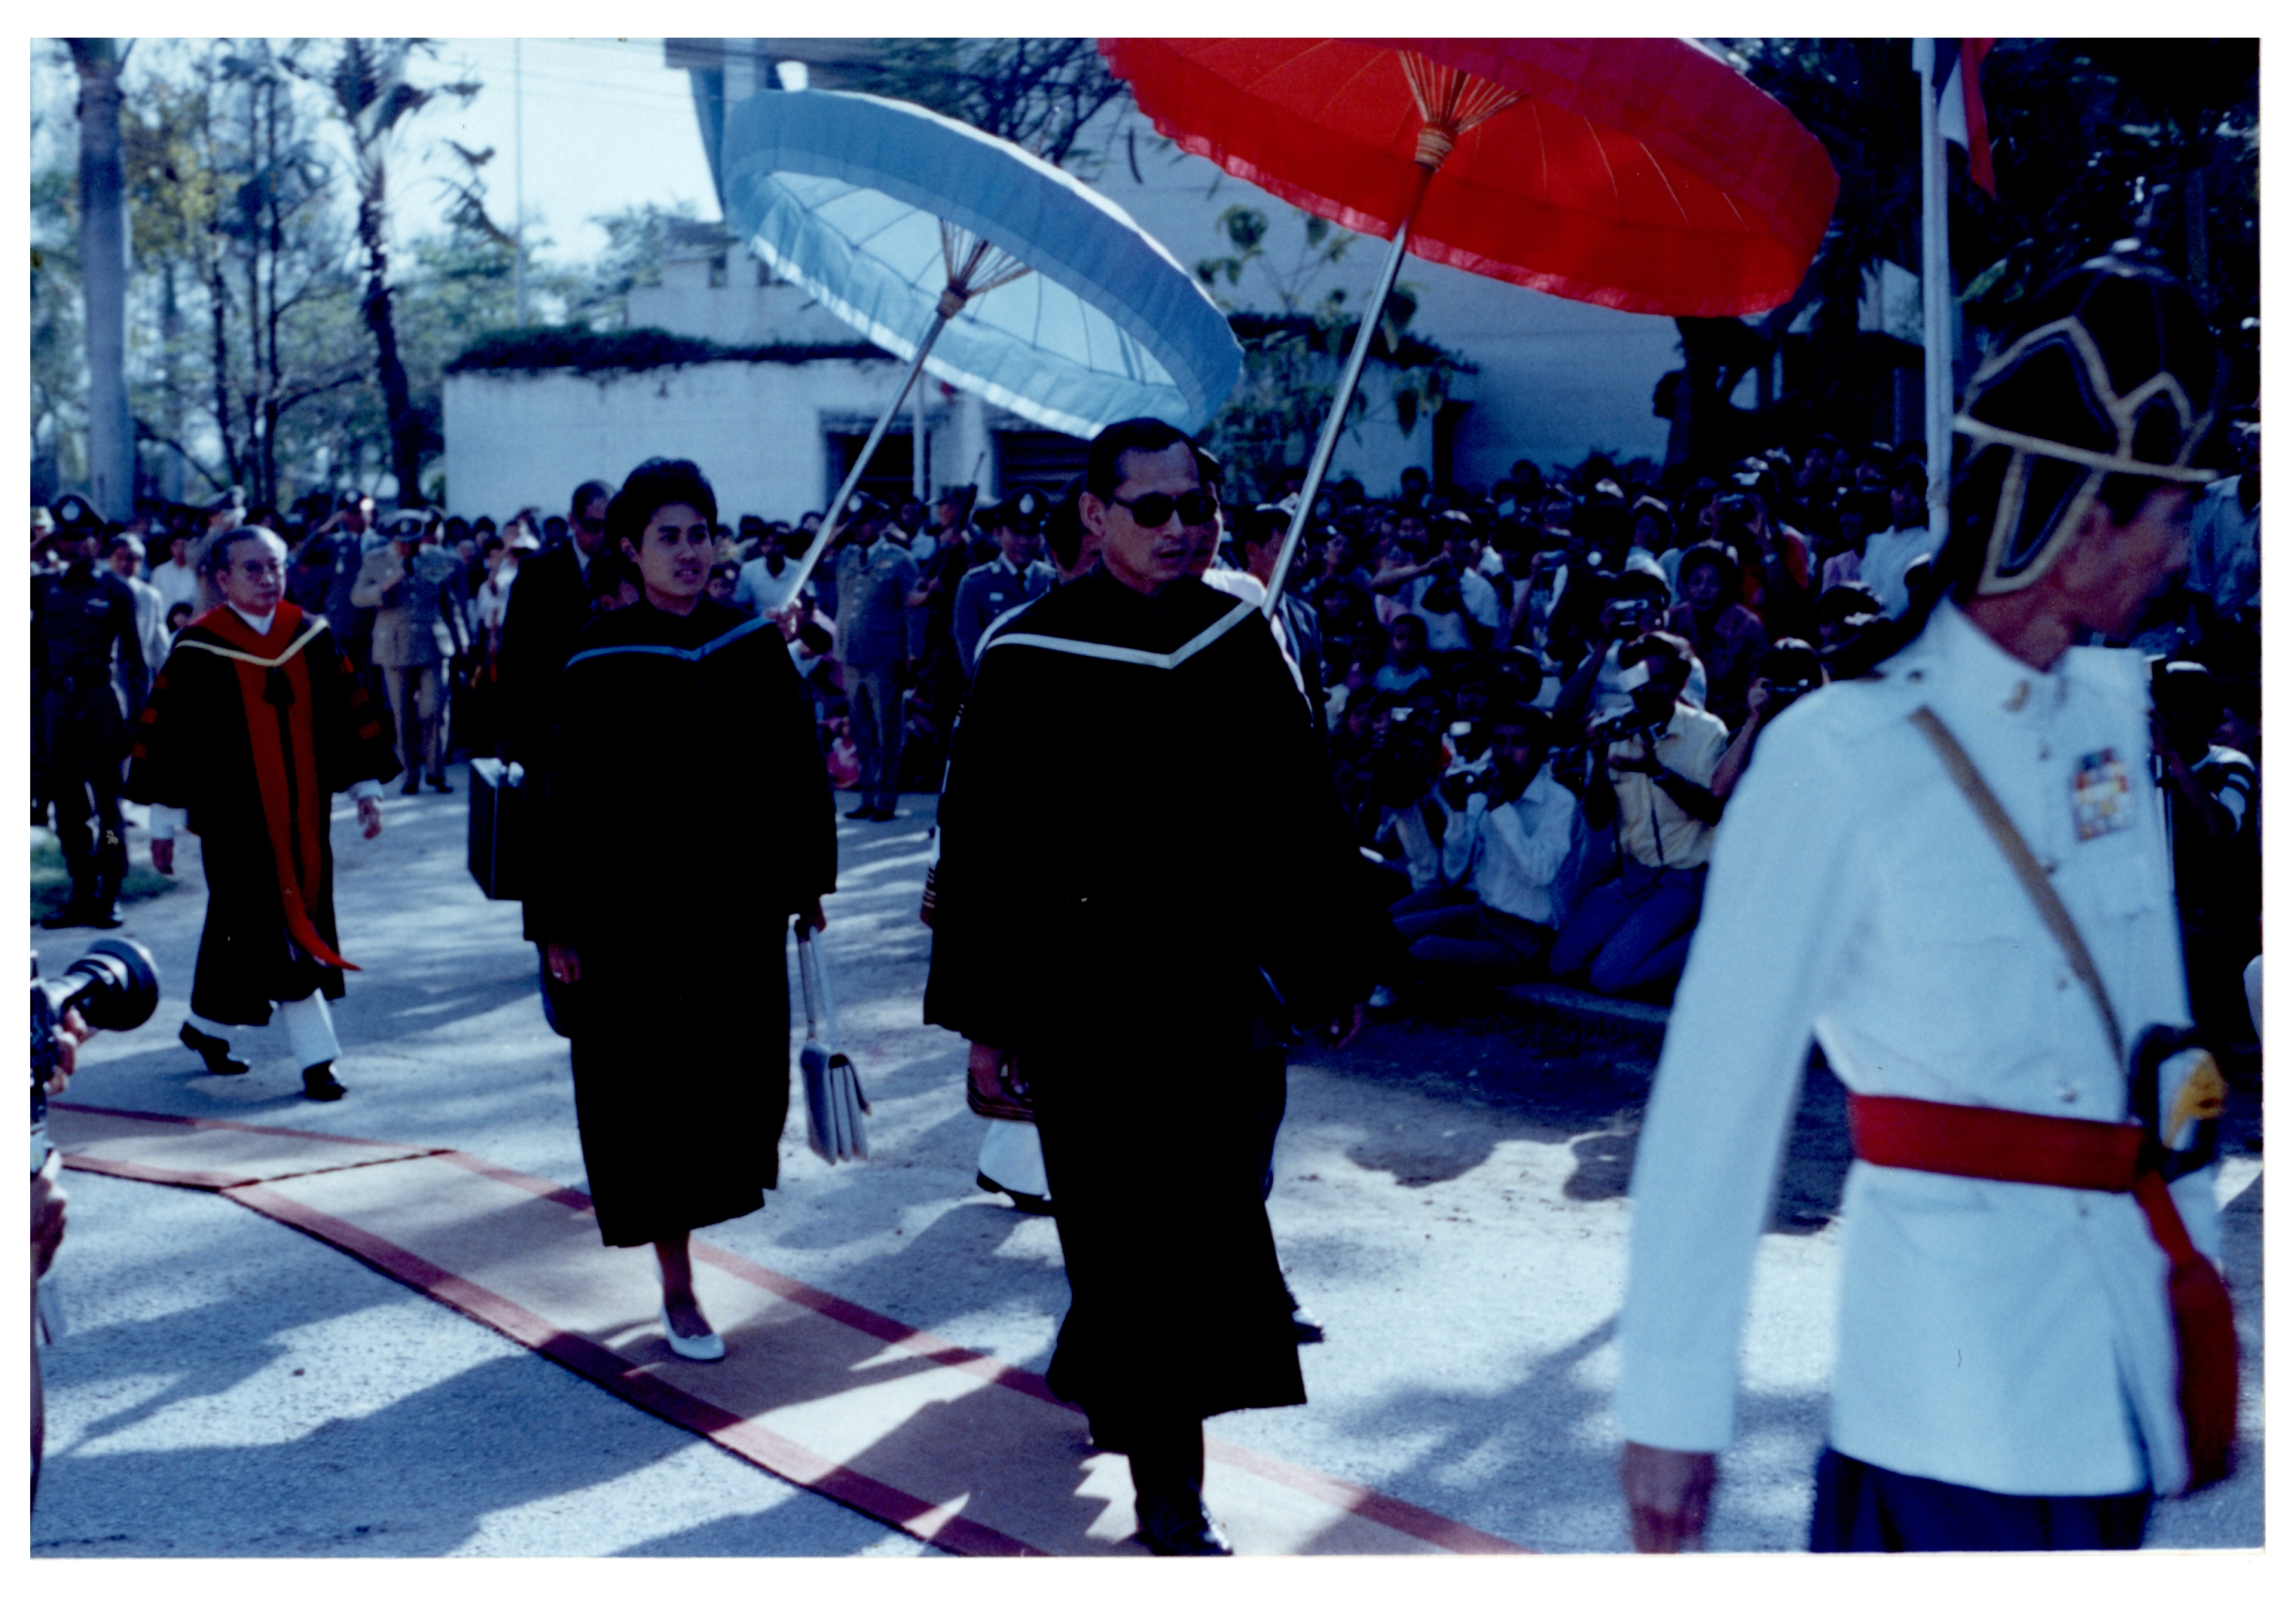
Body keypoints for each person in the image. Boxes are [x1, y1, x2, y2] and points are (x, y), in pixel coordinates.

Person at [1617, 252, 2232, 1553]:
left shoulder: (2109, 729)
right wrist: (1672, 1402)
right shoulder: (1842, 755)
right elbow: (1719, 1096)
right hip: (1948, 1389)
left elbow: (2163, 1067)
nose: (2182, 552)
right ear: (2078, 520)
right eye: (2167, 516)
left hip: (2114, 1365)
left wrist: (2189, 1310)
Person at [925, 417, 1375, 1556]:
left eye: (1198, 508)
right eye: (1154, 508)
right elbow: (984, 851)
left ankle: (1106, 1368)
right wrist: (988, 1022)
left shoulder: (1236, 634)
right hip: (1083, 1001)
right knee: (1127, 1230)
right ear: (1094, 513)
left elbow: (1300, 810)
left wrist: (1332, 960)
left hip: (1215, 989)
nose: (1182, 528)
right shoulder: (1028, 652)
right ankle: (1170, 1489)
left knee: (1198, 1222)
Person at [530, 458, 835, 1363]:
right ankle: (677, 1280)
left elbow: (798, 769)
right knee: (651, 1104)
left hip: (734, 913)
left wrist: (807, 882)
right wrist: (557, 922)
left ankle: (695, 1236)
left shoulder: (749, 642)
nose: (690, 551)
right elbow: (559, 798)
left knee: (734, 1095)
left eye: (700, 534)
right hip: (632, 922)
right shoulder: (596, 657)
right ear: (631, 549)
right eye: (668, 537)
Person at [126, 524, 398, 1100]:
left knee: (240, 928)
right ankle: (319, 1060)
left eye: (275, 565)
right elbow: (171, 741)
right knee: (279, 927)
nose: (269, 578)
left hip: (304, 820)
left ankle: (205, 1027)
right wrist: (163, 823)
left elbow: (346, 718)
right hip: (235, 825)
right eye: (253, 568)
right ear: (222, 579)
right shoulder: (199, 648)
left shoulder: (310, 635)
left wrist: (366, 787)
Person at [1548, 631, 1726, 996]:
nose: (1647, 690)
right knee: (1562, 964)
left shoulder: (1707, 730)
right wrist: (1598, 758)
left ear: (1680, 683)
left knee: (1607, 978)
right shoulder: (1617, 727)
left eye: (1660, 680)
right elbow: (1598, 818)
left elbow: (1711, 810)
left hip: (1683, 876)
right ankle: (1640, 948)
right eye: (1638, 680)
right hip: (1634, 873)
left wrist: (1657, 771)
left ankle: (1707, 944)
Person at [33, 496, 151, 930]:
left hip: (100, 704)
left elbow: (135, 663)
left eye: (81, 538)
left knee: (108, 809)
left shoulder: (115, 589)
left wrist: (136, 721)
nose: (72, 546)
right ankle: (81, 890)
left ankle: (110, 892)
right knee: (67, 808)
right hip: (57, 708)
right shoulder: (43, 587)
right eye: (65, 538)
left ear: (97, 541)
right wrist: (36, 547)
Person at [353, 511, 468, 795]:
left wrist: (462, 637)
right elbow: (357, 596)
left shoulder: (436, 558)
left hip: (433, 641)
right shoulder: (375, 559)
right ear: (393, 540)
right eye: (402, 542)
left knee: (435, 709)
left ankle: (436, 771)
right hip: (394, 644)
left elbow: (448, 600)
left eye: (414, 542)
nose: (408, 548)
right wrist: (385, 586)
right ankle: (410, 775)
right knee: (402, 713)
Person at [829, 493, 919, 821]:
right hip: (851, 655)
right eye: (854, 522)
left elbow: (912, 609)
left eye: (864, 522)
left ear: (881, 523)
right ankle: (867, 796)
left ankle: (885, 800)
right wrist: (840, 527)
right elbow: (814, 558)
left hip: (884, 656)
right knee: (861, 731)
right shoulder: (847, 556)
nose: (858, 528)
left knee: (887, 731)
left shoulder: (898, 559)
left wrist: (912, 653)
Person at [951, 502, 1054, 673]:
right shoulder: (975, 584)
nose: (1024, 541)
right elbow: (969, 649)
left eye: (1032, 532)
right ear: (997, 533)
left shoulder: (1053, 581)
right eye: (1016, 532)